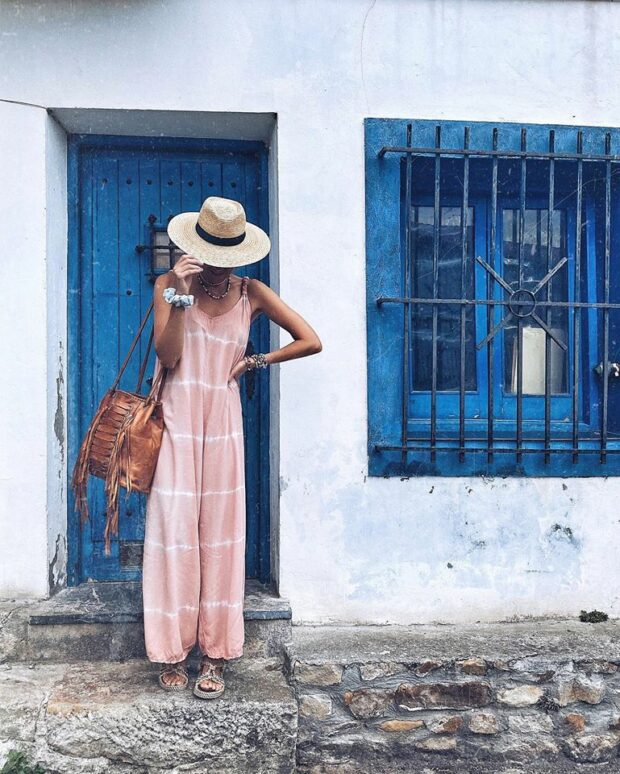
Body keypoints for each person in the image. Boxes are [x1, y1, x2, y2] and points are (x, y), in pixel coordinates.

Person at [141, 196, 322, 698]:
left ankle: (215, 655)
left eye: (227, 256)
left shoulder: (251, 292)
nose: (219, 265)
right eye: (212, 254)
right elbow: (168, 356)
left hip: (222, 420)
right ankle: (172, 650)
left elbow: (310, 340)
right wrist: (180, 295)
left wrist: (257, 360)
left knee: (220, 536)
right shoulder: (169, 284)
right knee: (174, 531)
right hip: (176, 418)